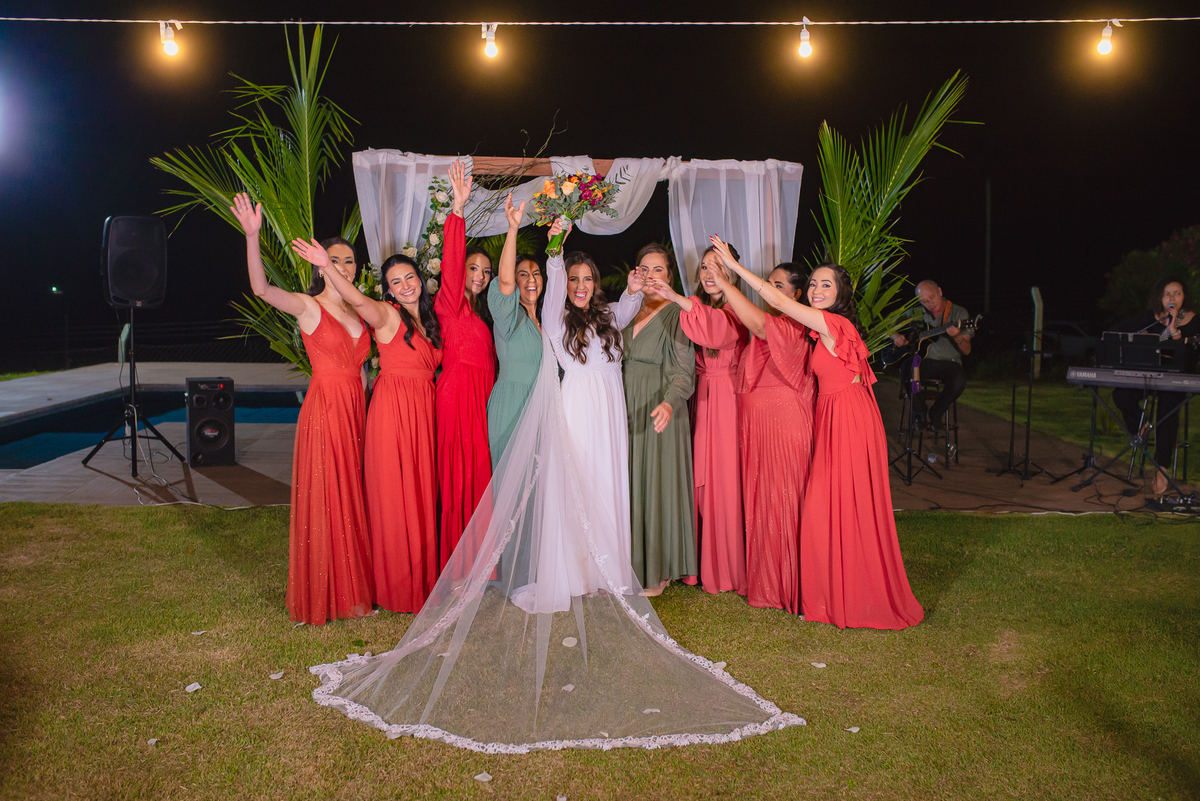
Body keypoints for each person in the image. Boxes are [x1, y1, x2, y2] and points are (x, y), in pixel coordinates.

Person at [308, 219, 805, 752]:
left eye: (588, 279)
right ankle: (572, 568)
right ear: (563, 285)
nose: (582, 286)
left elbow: (632, 305)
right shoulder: (553, 316)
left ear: (597, 284)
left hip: (611, 415)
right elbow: (541, 281)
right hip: (577, 414)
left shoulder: (611, 316)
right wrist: (553, 244)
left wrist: (635, 288)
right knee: (577, 492)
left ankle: (605, 568)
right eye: (574, 279)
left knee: (607, 488)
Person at [711, 236, 923, 630]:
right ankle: (831, 594)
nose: (817, 290)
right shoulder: (818, 328)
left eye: (826, 284)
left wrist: (733, 270)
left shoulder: (833, 324)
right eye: (813, 284)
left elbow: (775, 301)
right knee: (827, 509)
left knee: (836, 507)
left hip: (849, 419)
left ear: (841, 294)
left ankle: (849, 596)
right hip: (832, 415)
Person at [231, 192, 374, 626]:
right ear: (318, 263)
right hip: (325, 410)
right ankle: (326, 591)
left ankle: (353, 584)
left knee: (350, 493)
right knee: (327, 494)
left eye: (350, 261)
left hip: (354, 410)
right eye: (335, 259)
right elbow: (261, 289)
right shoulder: (309, 306)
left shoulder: (359, 313)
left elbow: (362, 372)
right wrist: (252, 237)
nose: (344, 266)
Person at [292, 239, 443, 614]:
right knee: (394, 498)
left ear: (420, 279)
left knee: (419, 493)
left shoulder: (430, 319)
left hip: (422, 413)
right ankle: (395, 586)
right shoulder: (385, 313)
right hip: (394, 412)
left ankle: (422, 577)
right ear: (388, 290)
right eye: (395, 282)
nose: (405, 285)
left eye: (409, 277)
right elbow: (357, 301)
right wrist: (327, 267)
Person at [690, 252, 817, 613]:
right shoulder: (766, 321)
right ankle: (767, 583)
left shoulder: (791, 326)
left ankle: (791, 586)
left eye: (777, 286)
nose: (768, 290)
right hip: (759, 430)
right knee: (763, 504)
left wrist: (726, 279)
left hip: (784, 428)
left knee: (784, 503)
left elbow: (759, 327)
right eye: (767, 284)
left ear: (796, 295)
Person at [645, 244, 749, 596]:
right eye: (704, 266)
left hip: (726, 402)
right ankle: (694, 563)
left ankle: (723, 569)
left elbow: (717, 329)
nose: (708, 273)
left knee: (721, 482)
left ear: (733, 272)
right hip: (700, 398)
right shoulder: (698, 308)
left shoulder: (735, 310)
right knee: (696, 480)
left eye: (717, 266)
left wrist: (676, 297)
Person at [623, 244, 697, 596]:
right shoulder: (628, 310)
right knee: (632, 484)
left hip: (659, 409)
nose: (651, 276)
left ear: (670, 277)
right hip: (627, 408)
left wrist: (668, 404)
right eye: (645, 269)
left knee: (656, 485)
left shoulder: (677, 315)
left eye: (658, 270)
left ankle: (659, 571)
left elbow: (684, 371)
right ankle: (629, 563)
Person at [435, 161, 497, 569]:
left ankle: (481, 563)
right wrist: (457, 209)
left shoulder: (485, 317)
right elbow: (452, 264)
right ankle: (455, 565)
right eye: (473, 268)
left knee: (479, 477)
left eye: (485, 272)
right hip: (457, 397)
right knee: (457, 477)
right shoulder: (449, 304)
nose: (479, 275)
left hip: (482, 402)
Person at [1110, 276, 1200, 495]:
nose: (1172, 298)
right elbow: (1116, 331)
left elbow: (1191, 355)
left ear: (1184, 297)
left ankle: (1161, 468)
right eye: (1167, 294)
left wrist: (1174, 329)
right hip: (1148, 376)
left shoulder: (1193, 321)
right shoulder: (1149, 318)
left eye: (1177, 293)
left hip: (1177, 380)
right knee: (1121, 395)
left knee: (1168, 408)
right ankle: (1141, 425)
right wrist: (1137, 337)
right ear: (1160, 297)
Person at [486, 193, 544, 467]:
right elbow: (505, 284)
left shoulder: (547, 322)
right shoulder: (507, 316)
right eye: (524, 274)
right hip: (512, 406)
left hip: (541, 409)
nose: (531, 279)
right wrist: (512, 229)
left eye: (536, 273)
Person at [891, 280, 973, 429]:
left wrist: (957, 337)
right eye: (924, 301)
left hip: (950, 363)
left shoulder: (959, 313)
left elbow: (967, 350)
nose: (930, 303)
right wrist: (895, 336)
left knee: (959, 380)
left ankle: (936, 413)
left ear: (940, 292)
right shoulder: (915, 313)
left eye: (932, 297)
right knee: (907, 367)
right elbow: (887, 327)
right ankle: (919, 413)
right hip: (922, 362)